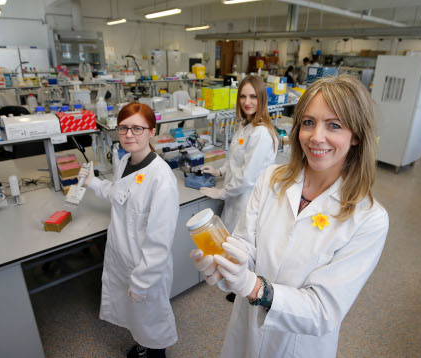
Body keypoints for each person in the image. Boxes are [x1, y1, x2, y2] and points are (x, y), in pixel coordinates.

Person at [191, 74, 389, 357]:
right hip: (245, 331)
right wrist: (225, 264)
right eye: (308, 122)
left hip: (298, 345)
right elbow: (247, 243)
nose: (316, 137)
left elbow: (323, 311)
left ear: (356, 135)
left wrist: (254, 287)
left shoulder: (369, 218)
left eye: (334, 125)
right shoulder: (272, 178)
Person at [79, 103, 179, 358]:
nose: (129, 135)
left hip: (146, 268)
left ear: (152, 131)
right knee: (138, 319)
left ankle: (156, 355)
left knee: (152, 321)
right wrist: (92, 183)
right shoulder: (125, 161)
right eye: (123, 128)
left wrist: (142, 281)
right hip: (124, 257)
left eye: (137, 128)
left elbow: (159, 242)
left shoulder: (161, 179)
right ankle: (143, 345)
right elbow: (118, 192)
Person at [198, 75, 278, 302]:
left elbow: (246, 177)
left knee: (243, 245)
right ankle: (238, 285)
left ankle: (246, 289)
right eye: (243, 96)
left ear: (262, 98)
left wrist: (220, 192)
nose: (247, 101)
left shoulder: (261, 133)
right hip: (237, 196)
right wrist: (220, 172)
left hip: (246, 198)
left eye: (253, 96)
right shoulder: (246, 126)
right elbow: (236, 159)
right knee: (235, 244)